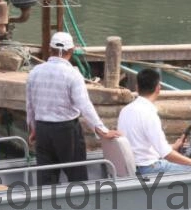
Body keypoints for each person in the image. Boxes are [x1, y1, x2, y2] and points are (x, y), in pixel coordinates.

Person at [26, 31, 121, 185]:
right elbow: (84, 105)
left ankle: (46, 207)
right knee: (76, 174)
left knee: (46, 177)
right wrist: (102, 130)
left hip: (43, 129)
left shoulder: (35, 72)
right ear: (71, 51)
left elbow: (30, 105)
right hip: (66, 131)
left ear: (50, 49)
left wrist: (33, 128)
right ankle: (79, 207)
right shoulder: (72, 74)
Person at [118, 68, 191, 174]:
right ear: (158, 88)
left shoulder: (125, 111)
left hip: (134, 167)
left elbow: (142, 146)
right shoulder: (148, 114)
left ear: (137, 87)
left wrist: (173, 146)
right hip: (149, 168)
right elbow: (166, 154)